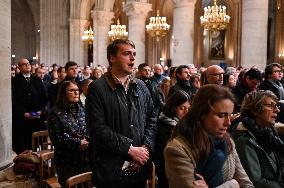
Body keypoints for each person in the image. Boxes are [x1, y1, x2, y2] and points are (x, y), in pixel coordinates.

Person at [86, 39, 157, 188]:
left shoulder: (141, 86)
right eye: (127, 54)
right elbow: (97, 129)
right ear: (112, 58)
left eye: (134, 54)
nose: (132, 58)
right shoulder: (97, 88)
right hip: (111, 169)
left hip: (139, 166)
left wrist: (145, 149)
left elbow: (152, 118)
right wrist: (130, 150)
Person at [164, 84, 253, 188]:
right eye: (221, 115)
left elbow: (247, 184)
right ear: (201, 114)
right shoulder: (178, 149)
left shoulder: (227, 141)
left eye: (230, 115)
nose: (228, 123)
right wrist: (232, 184)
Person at [232, 90, 284, 188]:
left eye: (277, 106)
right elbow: (256, 182)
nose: (277, 110)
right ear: (255, 110)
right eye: (271, 106)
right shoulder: (244, 141)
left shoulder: (270, 133)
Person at [47, 81, 89, 187]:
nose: (76, 93)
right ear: (63, 93)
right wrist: (78, 143)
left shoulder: (82, 109)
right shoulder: (55, 113)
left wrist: (88, 139)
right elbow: (57, 139)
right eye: (72, 90)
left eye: (77, 90)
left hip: (85, 158)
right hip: (67, 161)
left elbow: (89, 128)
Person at [154, 90, 191, 188]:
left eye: (188, 108)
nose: (186, 112)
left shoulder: (186, 125)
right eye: (182, 108)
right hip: (168, 174)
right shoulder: (162, 126)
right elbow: (162, 157)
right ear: (173, 108)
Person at [12, 58, 47, 154]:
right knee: (24, 147)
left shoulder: (37, 79)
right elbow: (13, 101)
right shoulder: (14, 81)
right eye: (24, 64)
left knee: (37, 146)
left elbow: (44, 98)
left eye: (28, 63)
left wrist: (41, 110)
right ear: (19, 67)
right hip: (22, 120)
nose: (27, 65)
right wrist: (24, 113)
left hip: (37, 118)